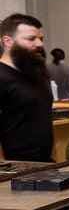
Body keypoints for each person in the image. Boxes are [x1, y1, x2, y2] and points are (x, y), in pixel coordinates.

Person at [0, 13, 54, 162]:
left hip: (43, 165)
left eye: (41, 39)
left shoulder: (37, 75)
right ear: (8, 41)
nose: (40, 44)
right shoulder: (2, 77)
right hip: (13, 171)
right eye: (31, 39)